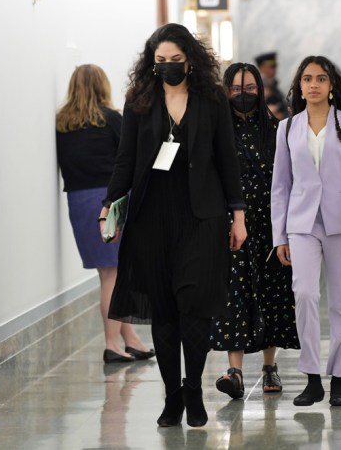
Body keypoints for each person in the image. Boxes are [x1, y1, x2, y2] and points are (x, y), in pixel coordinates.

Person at [99, 23, 246, 427]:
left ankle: (194, 389)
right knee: (164, 312)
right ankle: (172, 396)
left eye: (175, 61)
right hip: (152, 218)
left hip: (202, 216)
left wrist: (239, 215)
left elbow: (227, 159)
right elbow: (125, 161)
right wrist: (108, 205)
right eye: (160, 62)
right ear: (152, 63)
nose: (167, 68)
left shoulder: (211, 98)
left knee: (194, 308)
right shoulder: (139, 101)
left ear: (190, 61)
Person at [271, 55, 341, 407]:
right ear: (299, 86)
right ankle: (312, 377)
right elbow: (280, 185)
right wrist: (279, 236)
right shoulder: (287, 128)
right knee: (305, 294)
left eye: (320, 79)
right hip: (301, 223)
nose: (313, 85)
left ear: (331, 86)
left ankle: (339, 379)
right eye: (307, 79)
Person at [211, 62, 300, 399]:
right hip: (231, 225)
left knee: (274, 292)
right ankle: (233, 370)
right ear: (226, 91)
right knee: (234, 293)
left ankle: (269, 366)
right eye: (236, 89)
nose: (243, 95)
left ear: (260, 91)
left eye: (250, 89)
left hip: (271, 224)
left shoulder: (277, 130)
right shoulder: (218, 131)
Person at [56, 64, 154, 365]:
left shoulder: (62, 123)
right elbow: (129, 159)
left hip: (79, 202)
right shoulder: (111, 119)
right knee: (113, 274)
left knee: (109, 274)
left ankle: (130, 339)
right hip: (108, 203)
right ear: (102, 87)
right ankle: (112, 344)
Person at [255, 52, 289, 119]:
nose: (274, 69)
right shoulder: (258, 86)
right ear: (262, 68)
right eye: (271, 67)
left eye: (275, 66)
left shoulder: (272, 83)